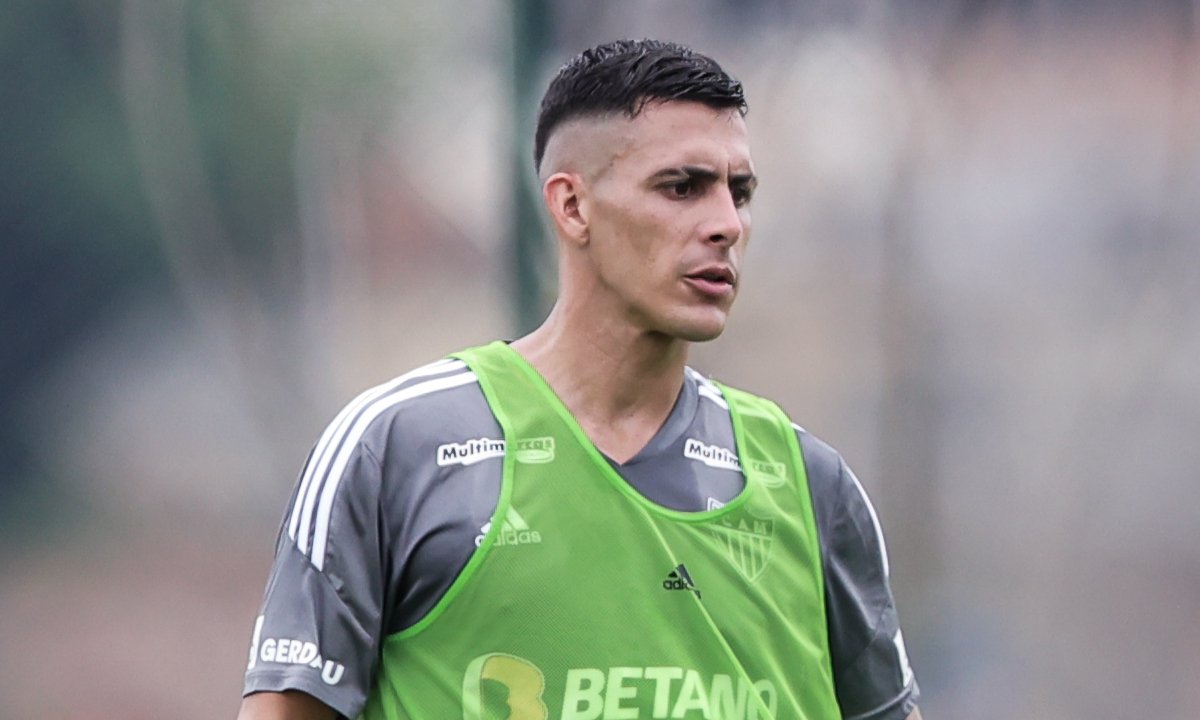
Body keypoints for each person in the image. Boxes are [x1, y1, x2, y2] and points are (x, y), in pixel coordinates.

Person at [238, 38, 922, 720]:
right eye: (682, 187)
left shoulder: (808, 486)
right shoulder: (396, 450)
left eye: (738, 192)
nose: (725, 224)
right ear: (572, 206)